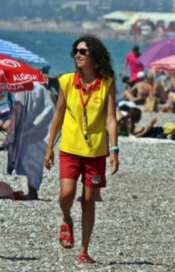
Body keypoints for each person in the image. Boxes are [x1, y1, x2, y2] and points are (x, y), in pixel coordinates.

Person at [44, 35, 119, 264]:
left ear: (94, 56)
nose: (77, 54)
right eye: (76, 51)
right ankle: (66, 218)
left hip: (96, 151)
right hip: (69, 148)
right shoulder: (66, 81)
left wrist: (114, 149)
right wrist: (49, 147)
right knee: (66, 194)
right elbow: (58, 114)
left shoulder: (107, 82)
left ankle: (84, 249)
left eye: (83, 51)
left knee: (88, 199)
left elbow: (111, 119)